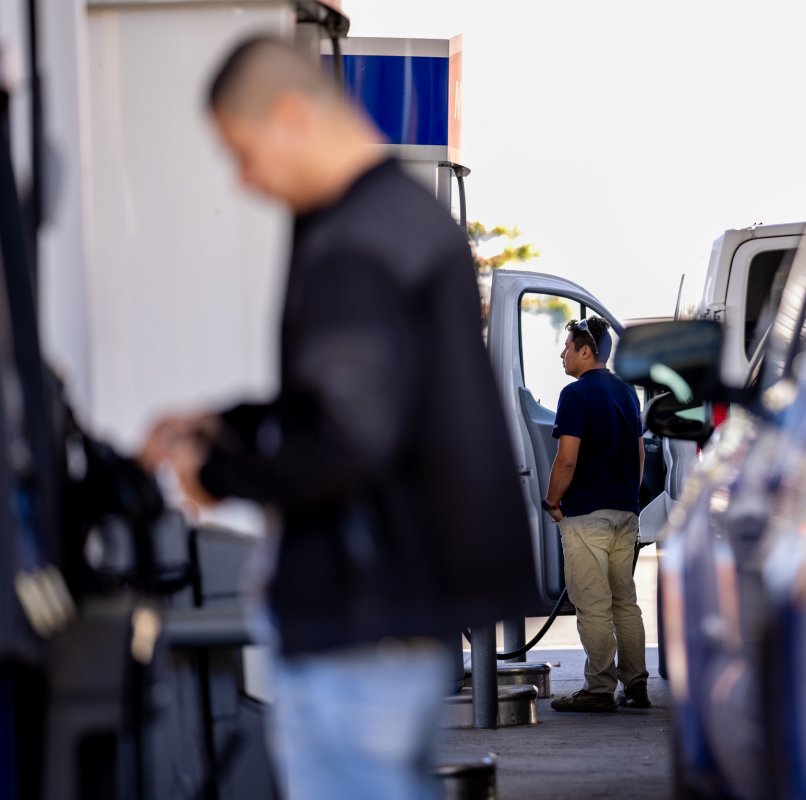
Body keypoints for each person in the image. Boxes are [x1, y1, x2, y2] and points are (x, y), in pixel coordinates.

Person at [140, 36, 536, 800]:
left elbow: (348, 438)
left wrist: (216, 473)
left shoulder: (352, 242)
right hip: (403, 606)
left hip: (359, 617)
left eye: (242, 151)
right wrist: (226, 421)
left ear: (289, 117)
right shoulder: (403, 217)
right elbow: (365, 400)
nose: (244, 179)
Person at [543, 316, 650, 712]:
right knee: (625, 601)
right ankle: (636, 686)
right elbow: (638, 454)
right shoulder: (626, 392)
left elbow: (566, 460)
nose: (562, 353)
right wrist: (629, 497)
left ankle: (599, 690)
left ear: (586, 352)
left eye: (567, 347)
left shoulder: (574, 395)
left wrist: (553, 502)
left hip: (587, 515)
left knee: (593, 604)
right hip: (625, 512)